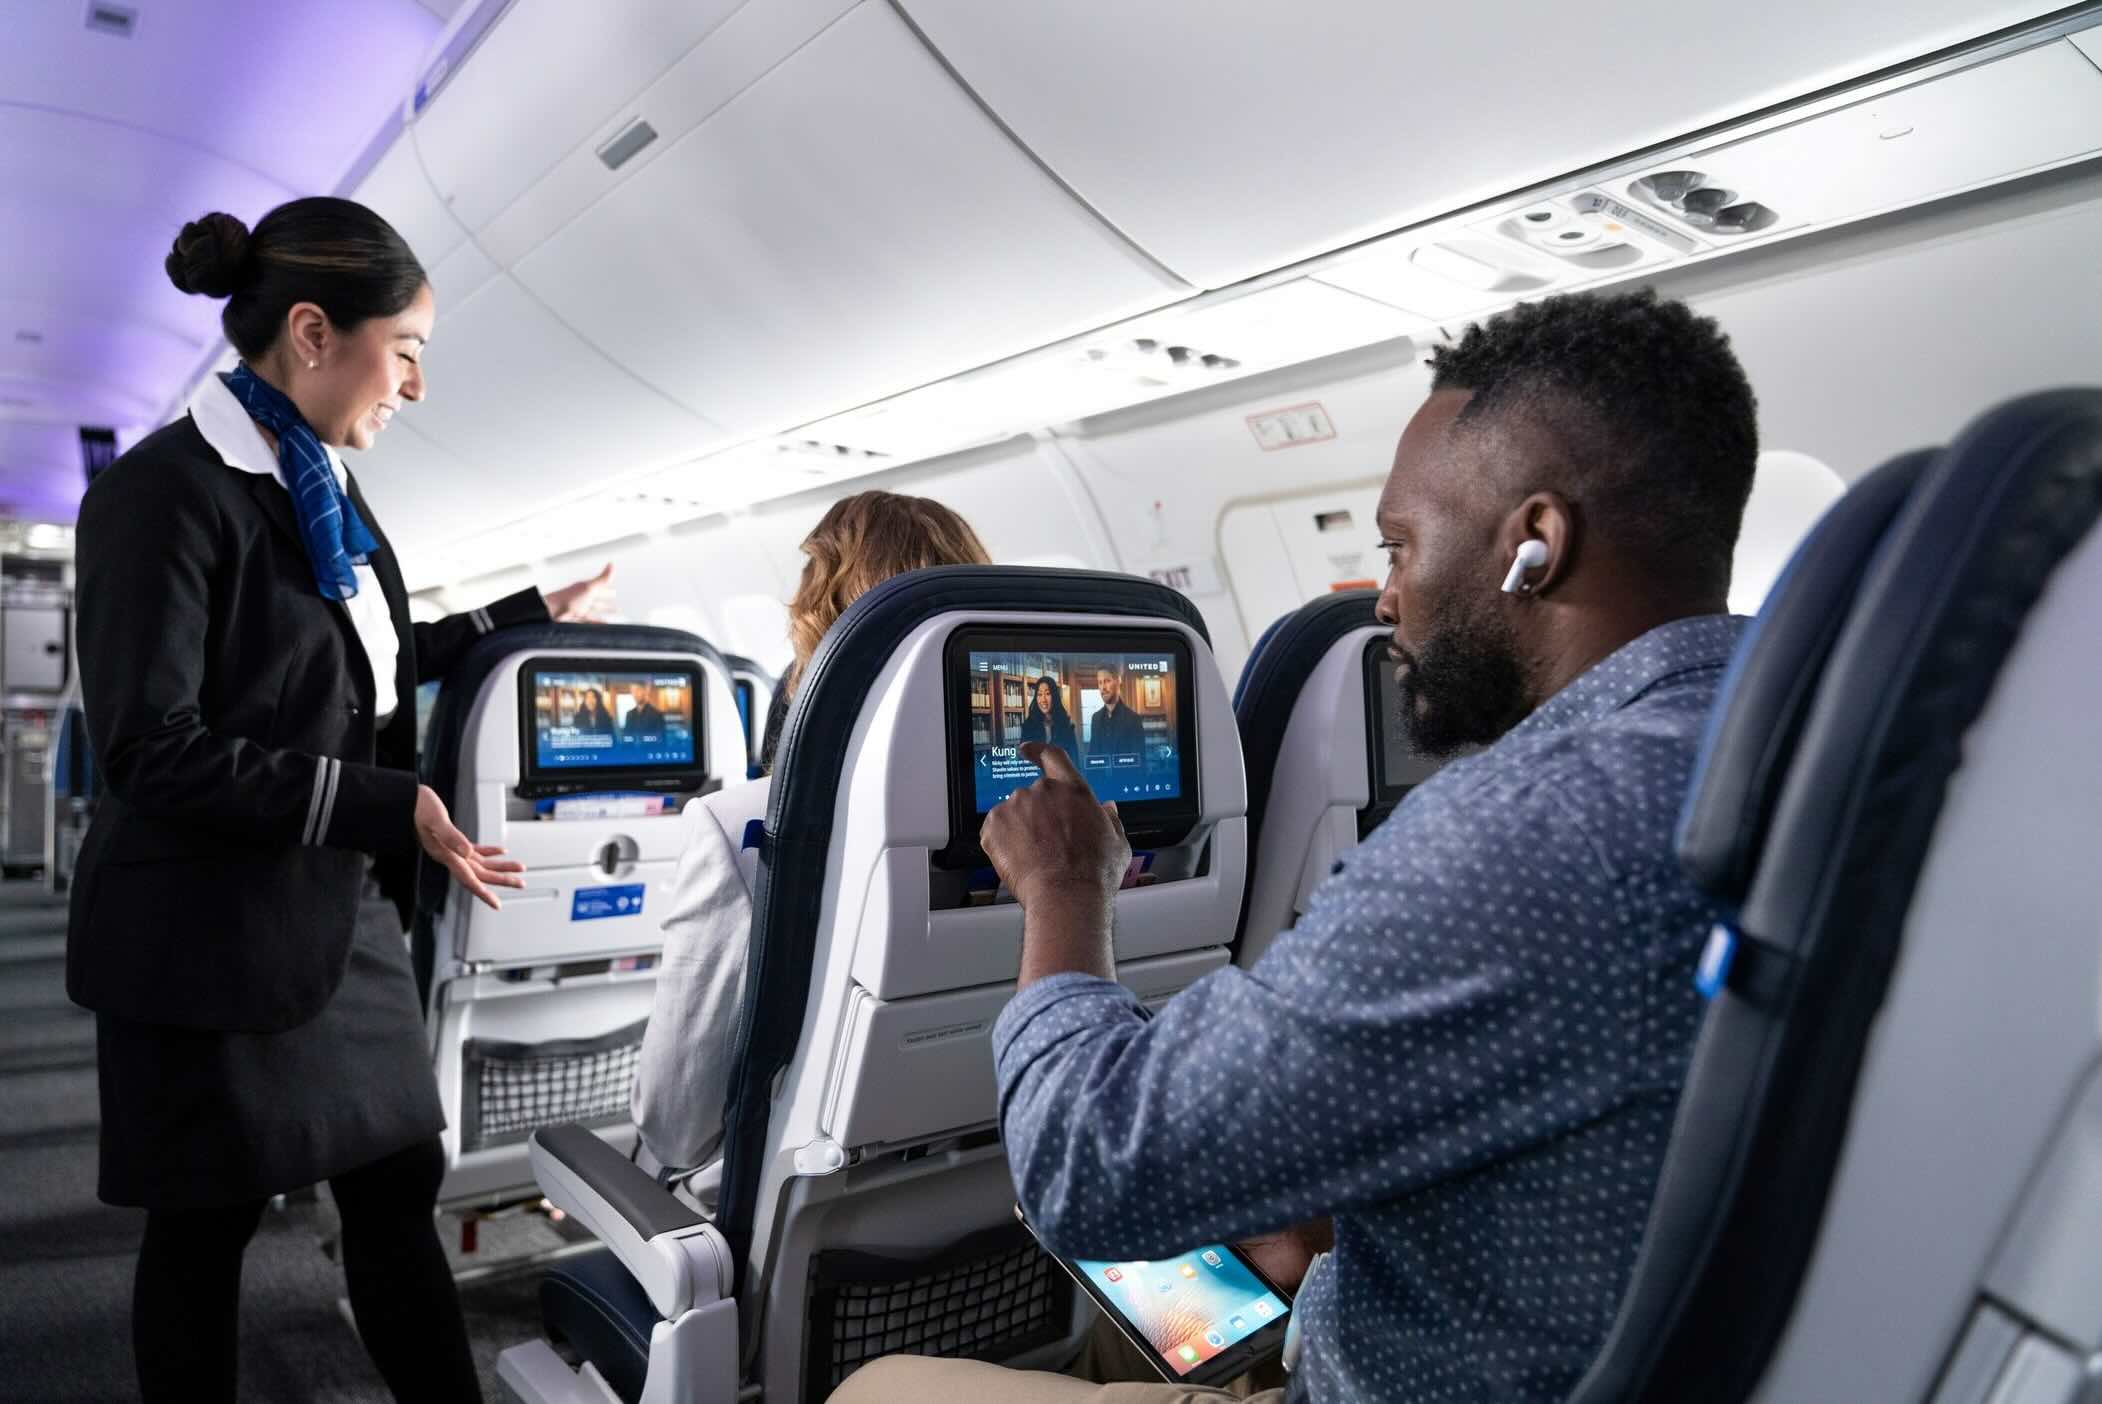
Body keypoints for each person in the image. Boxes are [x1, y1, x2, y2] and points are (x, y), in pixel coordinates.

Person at [830, 287, 1761, 1402]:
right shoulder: (1811, 753)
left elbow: (1085, 1167)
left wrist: (1067, 885)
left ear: (1535, 545)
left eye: (1401, 546)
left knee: (879, 1390)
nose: (1386, 599)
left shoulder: (1517, 835)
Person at [68, 197, 614, 1404]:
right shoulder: (164, 494)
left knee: (395, 1189)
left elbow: (357, 665)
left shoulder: (317, 482)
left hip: (335, 915)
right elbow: (149, 750)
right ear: (313, 332)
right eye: (405, 348)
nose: (415, 385)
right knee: (206, 1229)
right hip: (204, 935)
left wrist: (521, 619)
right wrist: (384, 803)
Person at [633, 491, 991, 1183]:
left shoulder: (741, 825)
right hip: (1011, 1187)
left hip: (807, 1207)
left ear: (820, 622)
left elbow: (677, 1126)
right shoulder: (1061, 821)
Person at [1021, 675, 1084, 770]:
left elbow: (1075, 763)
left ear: (1054, 696)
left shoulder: (1067, 726)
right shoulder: (1028, 727)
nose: (1043, 700)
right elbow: (1023, 764)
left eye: (1047, 693)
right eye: (1039, 694)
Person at [1085, 665, 1145, 759]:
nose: (1103, 687)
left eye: (1107, 681)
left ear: (1118, 682)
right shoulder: (1095, 718)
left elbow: (1140, 761)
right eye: (1100, 682)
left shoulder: (1134, 719)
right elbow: (1092, 757)